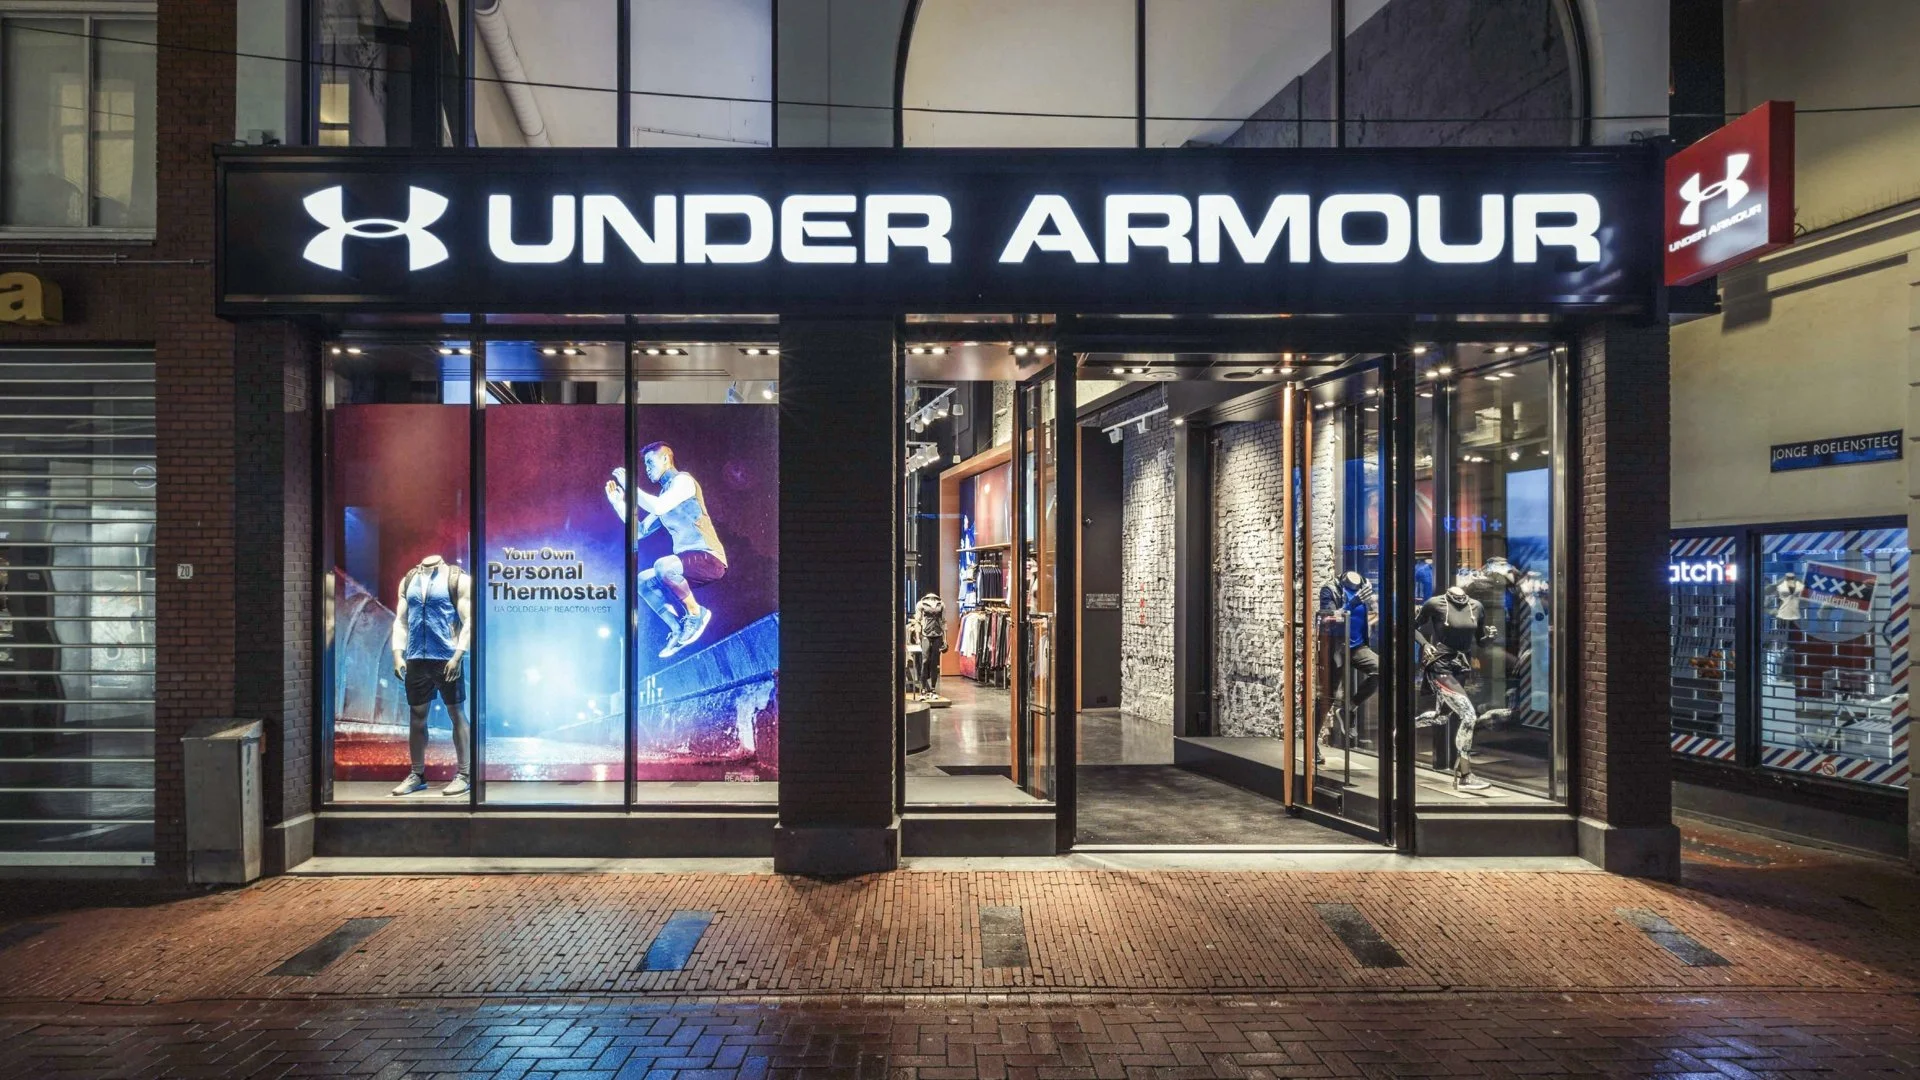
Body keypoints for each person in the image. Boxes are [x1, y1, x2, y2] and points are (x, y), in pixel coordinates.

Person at [606, 442, 729, 659]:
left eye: (650, 462)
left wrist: (629, 485)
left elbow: (658, 506)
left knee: (663, 566)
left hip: (710, 558)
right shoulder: (665, 495)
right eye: (645, 465)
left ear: (665, 459)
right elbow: (640, 531)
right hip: (686, 565)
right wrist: (618, 503)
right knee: (642, 581)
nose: (647, 469)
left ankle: (696, 613)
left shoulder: (684, 481)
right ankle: (677, 628)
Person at [389, 554, 471, 797]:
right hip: (416, 657)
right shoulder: (409, 580)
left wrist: (458, 655)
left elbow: (469, 621)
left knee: (456, 713)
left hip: (446, 656)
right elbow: (401, 621)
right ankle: (417, 774)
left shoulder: (457, 579)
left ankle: (465, 774)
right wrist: (397, 653)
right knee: (417, 716)